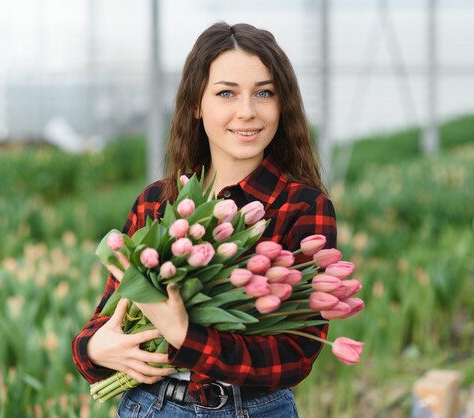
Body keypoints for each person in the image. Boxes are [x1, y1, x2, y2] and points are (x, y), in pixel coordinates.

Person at [72, 22, 337, 417]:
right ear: (197, 104)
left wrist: (184, 336)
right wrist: (93, 349)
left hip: (253, 409)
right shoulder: (158, 203)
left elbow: (295, 355)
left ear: (283, 104)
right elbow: (107, 316)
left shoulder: (300, 206)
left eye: (264, 93)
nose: (246, 111)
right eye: (227, 93)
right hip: (149, 405)